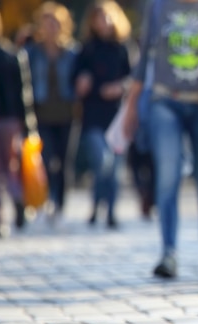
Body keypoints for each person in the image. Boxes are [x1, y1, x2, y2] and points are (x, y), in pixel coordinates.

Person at [123, 0, 198, 278]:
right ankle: (168, 252)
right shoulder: (158, 6)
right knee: (167, 175)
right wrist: (131, 107)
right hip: (165, 102)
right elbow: (143, 61)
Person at [72, 0, 132, 229]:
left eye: (107, 17)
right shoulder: (86, 49)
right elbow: (74, 82)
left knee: (115, 169)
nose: (103, 22)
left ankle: (111, 211)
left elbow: (134, 79)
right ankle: (97, 203)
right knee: (102, 162)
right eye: (99, 18)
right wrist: (82, 84)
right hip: (93, 117)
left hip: (117, 118)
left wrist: (121, 87)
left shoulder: (122, 48)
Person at [26, 2, 78, 225]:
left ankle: (60, 205)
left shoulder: (73, 52)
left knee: (64, 163)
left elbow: (81, 77)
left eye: (55, 24)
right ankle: (46, 200)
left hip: (67, 114)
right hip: (42, 115)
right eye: (47, 24)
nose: (51, 28)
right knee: (46, 161)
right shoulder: (32, 52)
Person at [0, 6, 28, 237]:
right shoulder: (10, 54)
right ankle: (17, 199)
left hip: (3, 118)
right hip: (11, 119)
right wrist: (26, 124)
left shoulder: (9, 55)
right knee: (11, 168)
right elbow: (23, 94)